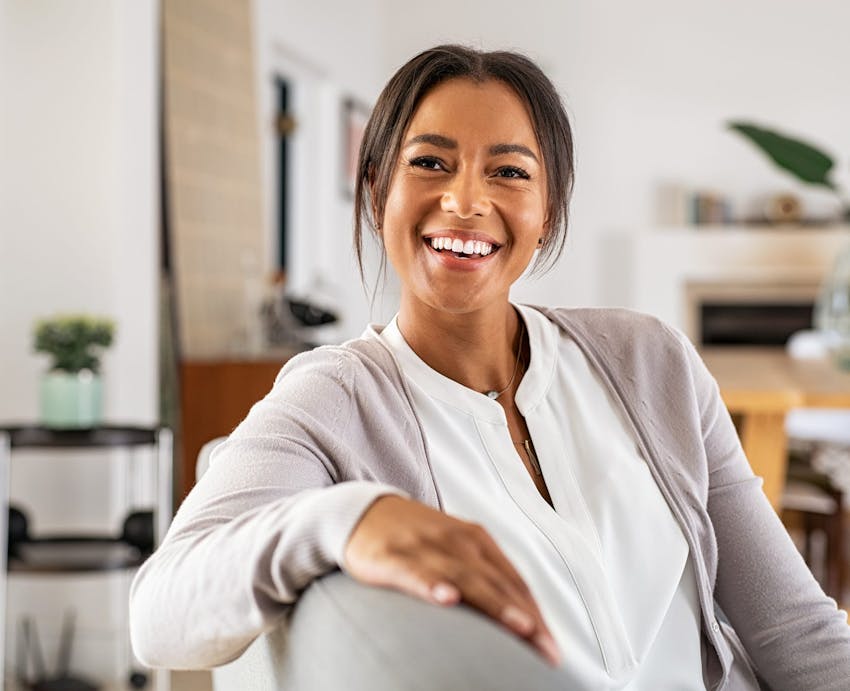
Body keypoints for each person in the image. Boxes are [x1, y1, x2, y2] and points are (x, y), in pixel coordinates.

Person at [130, 45, 850, 690]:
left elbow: (793, 628)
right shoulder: (336, 398)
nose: (466, 201)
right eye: (430, 163)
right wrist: (348, 518)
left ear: (548, 209)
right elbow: (159, 613)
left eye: (509, 171)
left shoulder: (652, 360)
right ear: (377, 191)